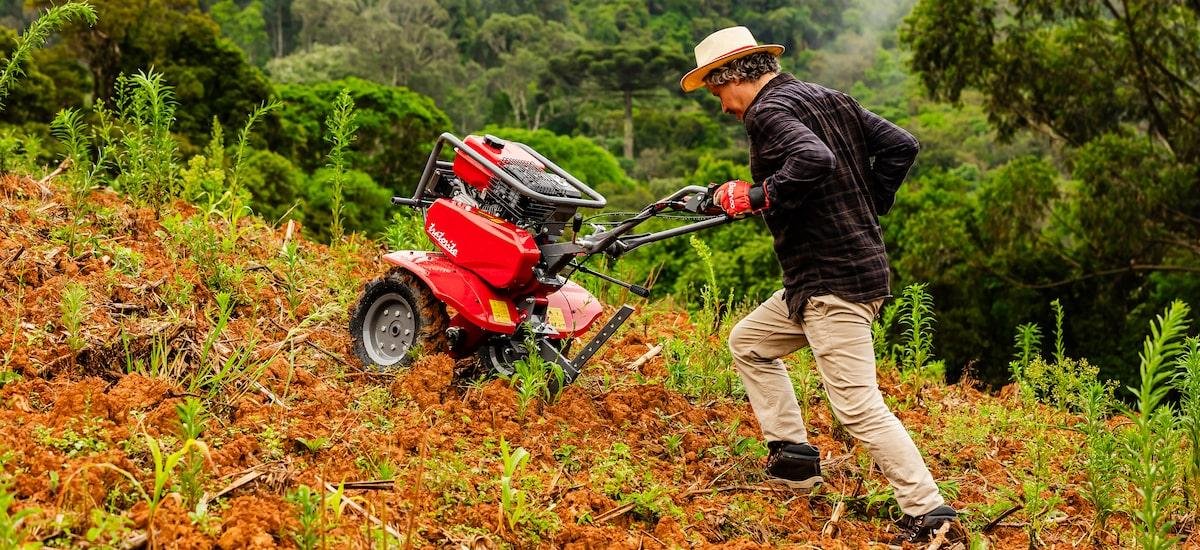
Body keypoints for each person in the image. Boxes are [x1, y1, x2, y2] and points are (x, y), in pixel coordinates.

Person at [680, 26, 962, 544]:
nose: (722, 107)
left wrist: (760, 194)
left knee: (857, 407)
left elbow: (814, 160)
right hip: (823, 276)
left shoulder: (766, 113)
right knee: (749, 343)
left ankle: (930, 514)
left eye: (718, 94)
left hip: (834, 283)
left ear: (731, 78)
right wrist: (868, 203)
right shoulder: (828, 97)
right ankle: (793, 459)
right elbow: (902, 145)